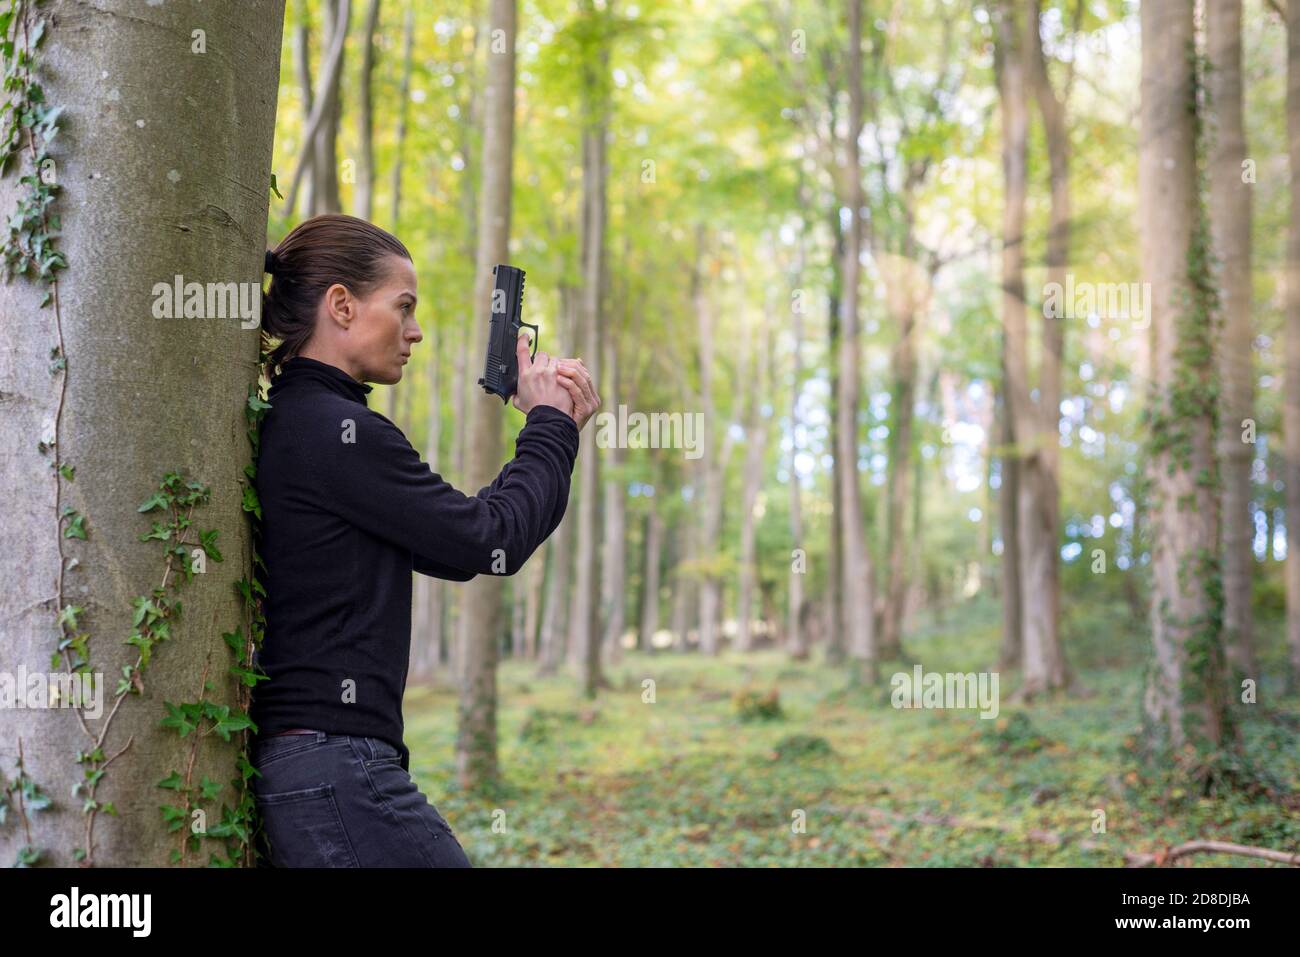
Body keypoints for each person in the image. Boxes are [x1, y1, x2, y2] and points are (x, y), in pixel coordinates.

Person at [247, 213, 599, 867]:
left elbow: (465, 545)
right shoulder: (338, 430)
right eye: (403, 308)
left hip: (314, 763)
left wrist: (544, 428)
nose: (415, 332)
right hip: (339, 764)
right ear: (342, 306)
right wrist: (552, 422)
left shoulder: (301, 422)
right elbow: (490, 539)